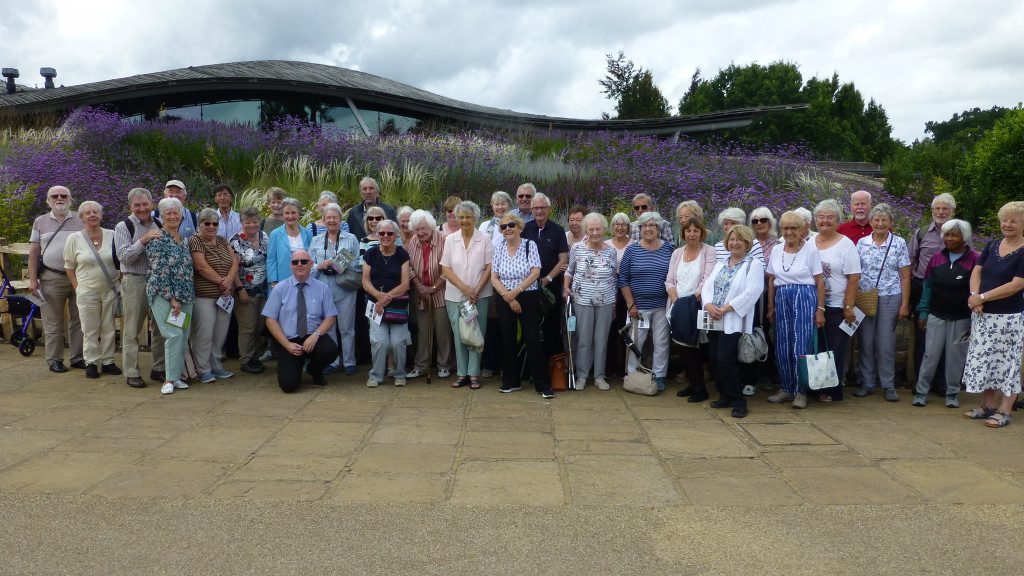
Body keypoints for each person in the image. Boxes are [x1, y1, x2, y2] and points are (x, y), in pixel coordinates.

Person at [961, 201, 1024, 428]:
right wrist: (974, 295)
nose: (1007, 224)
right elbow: (977, 271)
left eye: (1014, 221)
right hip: (983, 316)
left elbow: (1016, 285)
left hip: (1009, 319)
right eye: (1004, 220)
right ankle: (988, 406)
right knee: (986, 361)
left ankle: (1005, 410)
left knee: (1008, 363)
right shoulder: (992, 245)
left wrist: (983, 298)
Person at [913, 219, 978, 408]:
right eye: (946, 235)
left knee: (956, 357)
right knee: (930, 354)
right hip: (936, 315)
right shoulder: (936, 259)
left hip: (962, 318)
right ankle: (921, 391)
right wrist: (923, 313)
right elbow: (927, 287)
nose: (949, 239)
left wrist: (974, 317)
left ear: (964, 238)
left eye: (953, 235)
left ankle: (952, 393)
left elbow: (977, 289)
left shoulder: (974, 259)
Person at [700, 225, 764, 418]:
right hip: (714, 318)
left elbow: (753, 291)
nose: (735, 243)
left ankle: (738, 400)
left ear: (747, 243)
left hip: (734, 318)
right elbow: (707, 287)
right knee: (714, 358)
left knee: (726, 359)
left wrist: (727, 307)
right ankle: (725, 394)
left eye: (740, 240)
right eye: (732, 239)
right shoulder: (721, 263)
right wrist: (709, 304)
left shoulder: (753, 264)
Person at [766, 211, 826, 408]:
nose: (789, 231)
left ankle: (801, 391)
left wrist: (820, 309)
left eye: (793, 228)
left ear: (802, 230)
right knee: (782, 345)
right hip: (782, 298)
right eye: (785, 228)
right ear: (781, 229)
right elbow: (772, 280)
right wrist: (770, 306)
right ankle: (786, 388)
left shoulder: (810, 250)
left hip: (804, 297)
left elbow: (819, 282)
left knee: (801, 345)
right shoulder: (776, 250)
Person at [852, 204, 911, 402]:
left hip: (890, 296)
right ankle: (867, 382)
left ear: (890, 223)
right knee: (866, 341)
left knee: (886, 342)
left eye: (884, 220)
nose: (880, 223)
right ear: (870, 222)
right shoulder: (862, 243)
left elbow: (905, 276)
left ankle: (888, 385)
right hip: (866, 297)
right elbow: (855, 273)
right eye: (876, 220)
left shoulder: (899, 243)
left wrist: (904, 303)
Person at [492, 212, 553, 397]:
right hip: (504, 298)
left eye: (511, 225)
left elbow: (535, 273)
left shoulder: (529, 245)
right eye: (503, 227)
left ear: (519, 227)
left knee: (532, 339)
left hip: (528, 296)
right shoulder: (500, 248)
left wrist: (515, 292)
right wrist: (508, 296)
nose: (507, 229)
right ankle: (511, 381)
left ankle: (542, 385)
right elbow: (494, 277)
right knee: (507, 338)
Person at [262, 249, 338, 393]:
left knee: (330, 350)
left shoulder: (323, 288)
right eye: (295, 262)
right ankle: (295, 368)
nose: (299, 265)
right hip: (290, 340)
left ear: (311, 264)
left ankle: (314, 370)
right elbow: (270, 319)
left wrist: (315, 336)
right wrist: (287, 344)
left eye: (304, 261)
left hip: (313, 336)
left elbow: (331, 317)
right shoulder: (280, 288)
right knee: (288, 386)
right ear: (290, 265)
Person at [28, 185, 85, 373]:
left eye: (63, 195)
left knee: (80, 320)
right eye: (55, 196)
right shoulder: (40, 221)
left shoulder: (81, 218)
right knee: (52, 322)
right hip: (51, 278)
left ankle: (78, 358)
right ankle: (54, 360)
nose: (59, 198)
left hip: (79, 277)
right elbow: (34, 253)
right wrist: (32, 280)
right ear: (48, 200)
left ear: (70, 199)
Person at [114, 187, 167, 387]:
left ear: (152, 204)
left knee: (161, 327)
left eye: (145, 204)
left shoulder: (159, 223)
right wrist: (143, 240)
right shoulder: (123, 226)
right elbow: (124, 256)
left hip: (157, 281)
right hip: (134, 280)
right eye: (137, 205)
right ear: (130, 206)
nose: (142, 208)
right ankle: (131, 371)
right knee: (132, 329)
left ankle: (159, 368)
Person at [62, 200, 121, 379]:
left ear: (101, 215)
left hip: (109, 289)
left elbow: (122, 259)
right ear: (82, 217)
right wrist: (77, 287)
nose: (92, 215)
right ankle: (92, 362)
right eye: (87, 213)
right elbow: (69, 266)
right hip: (86, 290)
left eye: (95, 212)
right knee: (90, 329)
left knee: (109, 327)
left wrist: (119, 281)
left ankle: (108, 361)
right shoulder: (74, 239)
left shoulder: (113, 235)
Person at [618, 211, 675, 391]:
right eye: (644, 226)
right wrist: (630, 304)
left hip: (661, 306)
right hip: (638, 307)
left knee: (661, 342)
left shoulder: (669, 249)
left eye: (652, 225)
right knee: (635, 342)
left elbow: (673, 277)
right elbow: (623, 279)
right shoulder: (632, 249)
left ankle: (658, 376)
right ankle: (632, 374)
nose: (648, 229)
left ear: (658, 228)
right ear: (640, 229)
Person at [812, 199, 861, 402]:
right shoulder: (809, 241)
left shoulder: (846, 244)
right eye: (821, 217)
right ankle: (815, 385)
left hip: (836, 305)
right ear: (815, 220)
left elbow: (854, 276)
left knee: (834, 349)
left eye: (830, 217)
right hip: (814, 304)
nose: (825, 221)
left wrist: (848, 306)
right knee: (816, 348)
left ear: (838, 221)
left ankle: (832, 389)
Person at [907, 193, 957, 391]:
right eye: (937, 208)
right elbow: (910, 261)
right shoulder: (921, 233)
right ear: (932, 211)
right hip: (923, 288)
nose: (941, 212)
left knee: (948, 336)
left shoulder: (961, 233)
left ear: (953, 211)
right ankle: (921, 382)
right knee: (923, 335)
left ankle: (942, 382)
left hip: (952, 291)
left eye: (945, 208)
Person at [440, 200, 493, 389]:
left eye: (468, 217)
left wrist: (476, 290)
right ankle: (462, 373)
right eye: (461, 217)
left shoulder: (485, 238)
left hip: (480, 295)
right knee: (459, 334)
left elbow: (489, 267)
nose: (464, 220)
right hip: (455, 295)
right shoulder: (450, 239)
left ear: (475, 218)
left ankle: (474, 374)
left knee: (477, 334)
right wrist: (465, 289)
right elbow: (445, 268)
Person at [146, 197, 195, 395]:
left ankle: (176, 376)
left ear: (182, 215)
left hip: (186, 295)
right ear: (162, 216)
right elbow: (159, 272)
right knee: (173, 334)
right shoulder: (157, 239)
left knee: (183, 336)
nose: (173, 216)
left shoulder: (183, 240)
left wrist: (183, 297)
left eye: (176, 212)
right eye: (169, 213)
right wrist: (172, 299)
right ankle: (168, 379)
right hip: (163, 294)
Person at [563, 212, 617, 390]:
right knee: (583, 339)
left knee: (601, 338)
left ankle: (599, 376)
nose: (595, 232)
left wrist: (615, 302)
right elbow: (569, 271)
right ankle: (582, 375)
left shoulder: (611, 251)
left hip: (606, 300)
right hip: (582, 299)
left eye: (598, 229)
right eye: (591, 229)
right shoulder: (577, 248)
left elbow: (614, 278)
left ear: (604, 230)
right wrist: (566, 287)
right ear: (586, 230)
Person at [666, 216, 716, 400]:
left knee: (694, 346)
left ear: (701, 233)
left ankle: (700, 388)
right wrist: (677, 301)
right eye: (688, 230)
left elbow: (707, 279)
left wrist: (690, 301)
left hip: (696, 304)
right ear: (683, 233)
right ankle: (692, 383)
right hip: (677, 304)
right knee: (681, 346)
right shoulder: (677, 253)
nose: (692, 234)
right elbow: (670, 280)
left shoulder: (708, 251)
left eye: (696, 230)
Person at [309, 202, 360, 376]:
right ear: (323, 220)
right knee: (328, 328)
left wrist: (341, 264)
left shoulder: (351, 238)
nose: (331, 220)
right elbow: (309, 264)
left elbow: (358, 264)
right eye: (328, 217)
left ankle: (349, 361)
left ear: (340, 219)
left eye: (335, 217)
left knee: (347, 328)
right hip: (323, 289)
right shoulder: (316, 240)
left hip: (344, 288)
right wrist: (319, 265)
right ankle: (332, 361)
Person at [189, 208, 237, 384]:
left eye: (214, 223)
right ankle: (203, 368)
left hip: (224, 296)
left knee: (220, 334)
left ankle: (216, 365)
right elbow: (201, 267)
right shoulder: (195, 241)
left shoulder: (223, 241)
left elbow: (234, 262)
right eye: (206, 223)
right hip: (205, 296)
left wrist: (229, 280)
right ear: (199, 224)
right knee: (205, 333)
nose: (211, 226)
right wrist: (222, 282)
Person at [361, 220, 412, 387]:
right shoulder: (370, 254)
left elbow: (405, 284)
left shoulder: (402, 255)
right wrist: (378, 296)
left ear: (396, 235)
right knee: (379, 342)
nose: (385, 236)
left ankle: (400, 373)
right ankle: (375, 375)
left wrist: (386, 297)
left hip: (397, 305)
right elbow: (365, 282)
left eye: (390, 233)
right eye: (381, 233)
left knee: (398, 342)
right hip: (374, 305)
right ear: (377, 235)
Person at [522, 193, 570, 357]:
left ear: (549, 209)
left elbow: (563, 260)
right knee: (531, 327)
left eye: (543, 207)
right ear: (531, 209)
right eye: (536, 207)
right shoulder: (525, 229)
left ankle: (552, 365)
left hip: (552, 287)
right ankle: (532, 368)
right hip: (528, 286)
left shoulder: (558, 230)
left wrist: (547, 279)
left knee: (551, 326)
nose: (539, 211)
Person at [406, 210, 453, 380]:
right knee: (423, 331)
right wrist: (420, 286)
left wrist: (433, 287)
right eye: (417, 229)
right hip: (421, 293)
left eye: (423, 228)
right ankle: (421, 365)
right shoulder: (412, 241)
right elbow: (409, 267)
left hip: (441, 290)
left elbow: (450, 267)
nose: (420, 233)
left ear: (432, 227)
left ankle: (444, 365)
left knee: (442, 330)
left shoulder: (444, 240)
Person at [229, 207, 269, 375]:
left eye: (255, 221)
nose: (252, 225)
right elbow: (234, 268)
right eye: (248, 222)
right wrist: (240, 289)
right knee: (247, 326)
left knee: (261, 325)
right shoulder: (235, 241)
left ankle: (255, 357)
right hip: (245, 289)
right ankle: (246, 359)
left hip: (264, 289)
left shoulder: (264, 236)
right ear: (241, 222)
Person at [605, 212, 634, 379]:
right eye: (617, 224)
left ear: (628, 227)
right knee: (609, 330)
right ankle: (608, 369)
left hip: (627, 292)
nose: (620, 227)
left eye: (623, 224)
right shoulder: (606, 244)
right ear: (612, 227)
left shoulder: (634, 245)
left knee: (626, 330)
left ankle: (625, 369)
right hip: (608, 291)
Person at [267, 198, 312, 286]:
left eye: (293, 213)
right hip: (282, 281)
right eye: (287, 213)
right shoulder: (275, 234)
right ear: (282, 215)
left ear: (299, 214)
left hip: (304, 280)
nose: (290, 216)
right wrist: (273, 281)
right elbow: (271, 260)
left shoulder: (308, 233)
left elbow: (312, 257)